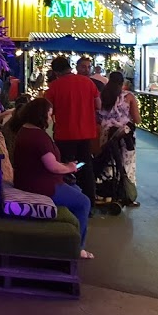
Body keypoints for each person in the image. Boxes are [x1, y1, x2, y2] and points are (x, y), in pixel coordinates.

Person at [10, 98, 94, 259]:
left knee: (77, 190)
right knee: (84, 202)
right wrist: (69, 167)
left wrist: (66, 166)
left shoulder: (24, 130)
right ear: (41, 115)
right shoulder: (38, 137)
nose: (51, 117)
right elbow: (52, 166)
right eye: (49, 114)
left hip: (27, 180)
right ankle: (78, 247)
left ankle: (70, 235)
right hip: (41, 185)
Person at [44, 55, 101, 206]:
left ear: (56, 72)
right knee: (85, 165)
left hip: (64, 134)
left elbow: (47, 111)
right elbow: (99, 105)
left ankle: (69, 200)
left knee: (65, 167)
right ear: (70, 67)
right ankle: (89, 201)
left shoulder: (54, 87)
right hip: (86, 133)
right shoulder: (88, 83)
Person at [98, 71, 141, 207]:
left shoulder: (103, 96)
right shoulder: (129, 97)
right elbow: (137, 119)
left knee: (107, 161)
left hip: (106, 135)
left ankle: (106, 193)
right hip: (124, 135)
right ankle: (126, 195)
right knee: (127, 164)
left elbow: (98, 116)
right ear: (123, 83)